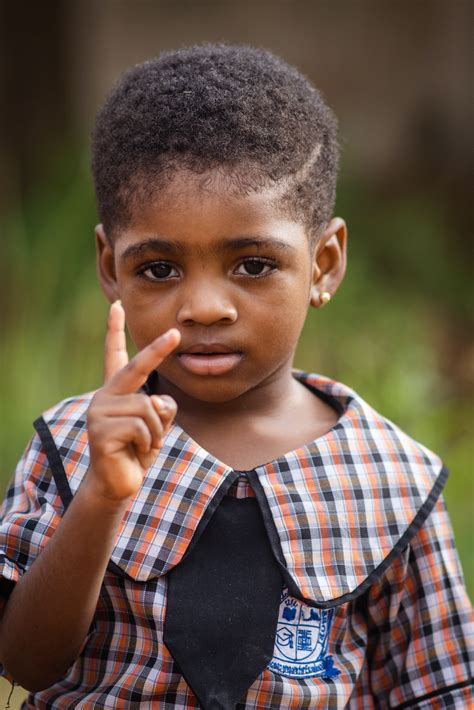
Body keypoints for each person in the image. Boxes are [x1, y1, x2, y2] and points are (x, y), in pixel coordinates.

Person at [0, 44, 472, 709]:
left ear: (325, 263)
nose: (204, 307)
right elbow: (25, 662)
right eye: (159, 269)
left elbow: (440, 690)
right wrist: (101, 499)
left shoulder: (395, 480)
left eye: (252, 265)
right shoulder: (73, 443)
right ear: (110, 266)